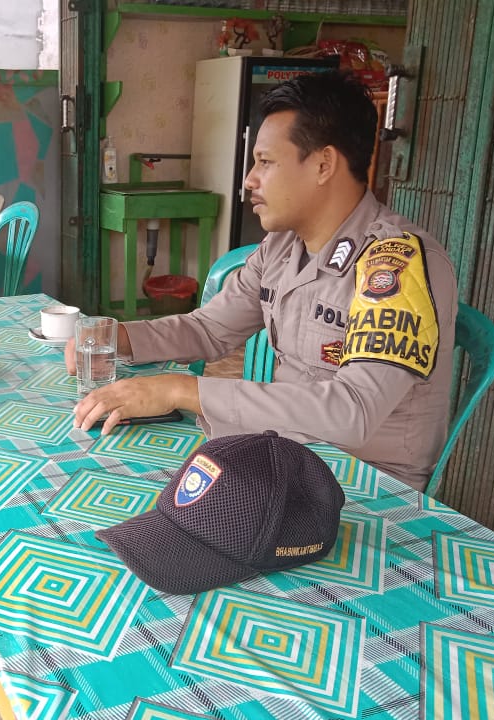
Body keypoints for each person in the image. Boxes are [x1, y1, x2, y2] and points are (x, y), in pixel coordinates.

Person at [70, 70, 458, 492]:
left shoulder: (395, 265)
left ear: (324, 165)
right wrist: (120, 337)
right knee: (111, 472)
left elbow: (352, 411)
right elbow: (209, 328)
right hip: (286, 452)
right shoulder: (282, 246)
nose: (249, 180)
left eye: (265, 162)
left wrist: (182, 390)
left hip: (368, 485)